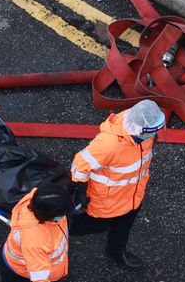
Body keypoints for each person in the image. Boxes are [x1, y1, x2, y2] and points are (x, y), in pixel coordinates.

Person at [69, 100, 166, 269]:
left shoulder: (144, 126)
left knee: (123, 227)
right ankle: (55, 227)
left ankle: (115, 252)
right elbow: (80, 164)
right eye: (153, 132)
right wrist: (80, 192)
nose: (155, 135)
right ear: (140, 130)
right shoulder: (109, 144)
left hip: (134, 195)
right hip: (108, 200)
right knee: (96, 226)